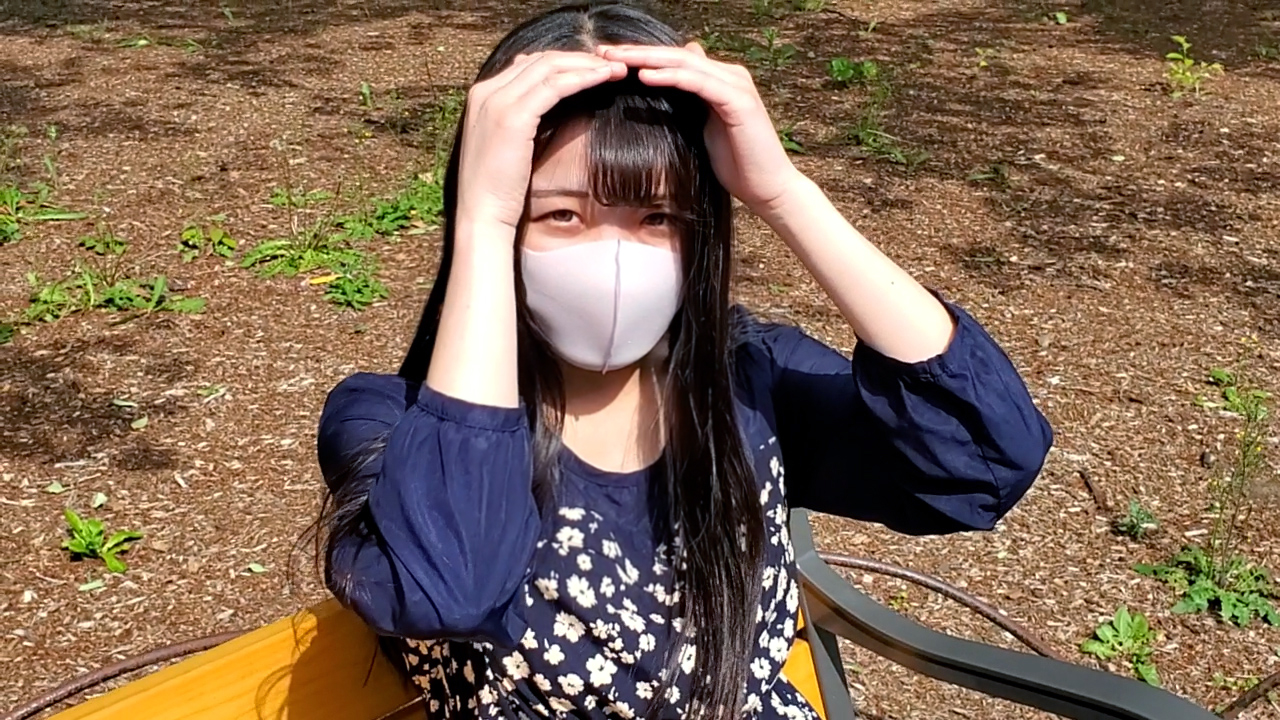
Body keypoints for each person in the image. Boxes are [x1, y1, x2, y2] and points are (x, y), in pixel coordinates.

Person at [313, 3, 1053, 718]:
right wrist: (481, 218)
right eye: (560, 214)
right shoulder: (391, 424)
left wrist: (783, 192)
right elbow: (446, 589)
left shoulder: (745, 383)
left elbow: (980, 461)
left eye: (658, 217)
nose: (611, 260)